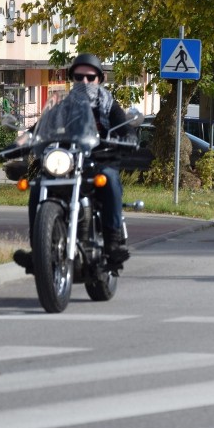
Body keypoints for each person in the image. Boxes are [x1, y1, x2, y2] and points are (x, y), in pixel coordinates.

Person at [13, 53, 133, 272]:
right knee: (38, 185)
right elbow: (39, 128)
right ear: (73, 79)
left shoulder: (109, 105)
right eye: (79, 77)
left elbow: (125, 129)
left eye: (90, 77)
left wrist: (127, 138)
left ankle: (113, 243)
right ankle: (38, 249)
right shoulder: (64, 106)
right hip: (67, 161)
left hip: (100, 159)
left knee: (110, 180)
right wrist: (22, 140)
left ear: (100, 79)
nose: (84, 82)